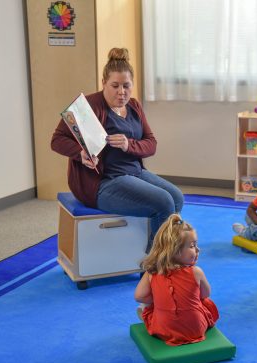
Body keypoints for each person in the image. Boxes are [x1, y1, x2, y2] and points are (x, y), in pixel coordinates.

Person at [51, 47, 183, 238]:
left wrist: (128, 144)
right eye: (115, 86)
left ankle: (160, 251)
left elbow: (151, 144)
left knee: (177, 198)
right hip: (103, 182)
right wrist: (81, 154)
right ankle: (156, 262)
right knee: (164, 202)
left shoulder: (134, 105)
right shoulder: (87, 107)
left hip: (134, 173)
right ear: (103, 83)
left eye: (126, 86)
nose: (122, 92)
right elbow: (57, 140)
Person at [134, 214, 219, 346]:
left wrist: (158, 300)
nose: (198, 249)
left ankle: (153, 316)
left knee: (149, 306)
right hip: (196, 330)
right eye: (192, 246)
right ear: (175, 251)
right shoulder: (196, 272)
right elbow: (206, 294)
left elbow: (139, 296)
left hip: (163, 331)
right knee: (205, 302)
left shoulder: (152, 272)